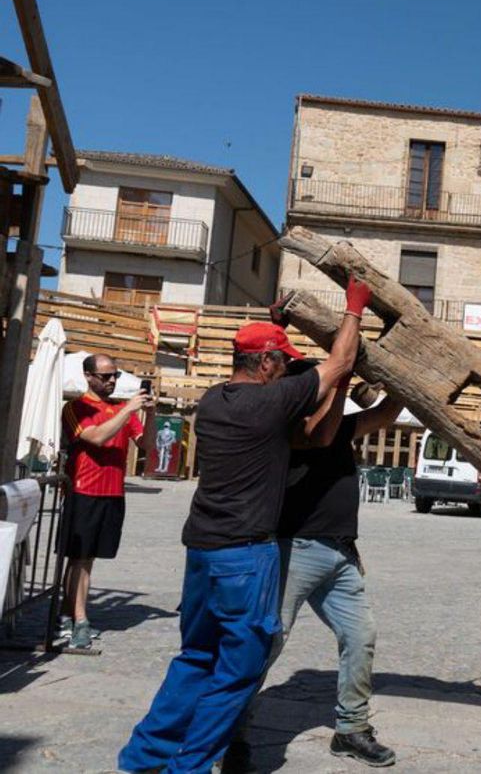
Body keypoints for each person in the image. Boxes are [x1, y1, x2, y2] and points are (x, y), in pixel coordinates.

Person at [118, 276, 371, 774]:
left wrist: (274, 327)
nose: (284, 370)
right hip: (246, 556)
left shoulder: (213, 402)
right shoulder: (271, 403)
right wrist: (354, 307)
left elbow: (314, 436)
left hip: (203, 552)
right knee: (237, 671)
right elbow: (338, 363)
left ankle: (143, 757)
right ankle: (188, 767)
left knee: (195, 658)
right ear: (267, 364)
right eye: (281, 360)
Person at [223, 368, 404, 771]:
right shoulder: (287, 428)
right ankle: (230, 734)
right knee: (266, 643)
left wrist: (402, 381)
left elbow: (387, 415)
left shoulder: (338, 427)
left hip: (340, 552)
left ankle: (351, 728)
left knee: (360, 635)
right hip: (295, 547)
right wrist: (346, 381)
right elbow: (320, 431)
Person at [57, 354, 154, 650]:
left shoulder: (122, 409)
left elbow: (146, 446)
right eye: (105, 376)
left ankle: (69, 612)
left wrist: (154, 412)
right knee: (80, 558)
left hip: (112, 491)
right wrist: (127, 412)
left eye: (115, 376)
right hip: (85, 490)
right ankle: (80, 619)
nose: (112, 381)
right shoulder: (76, 408)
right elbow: (96, 437)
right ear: (88, 376)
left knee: (88, 558)